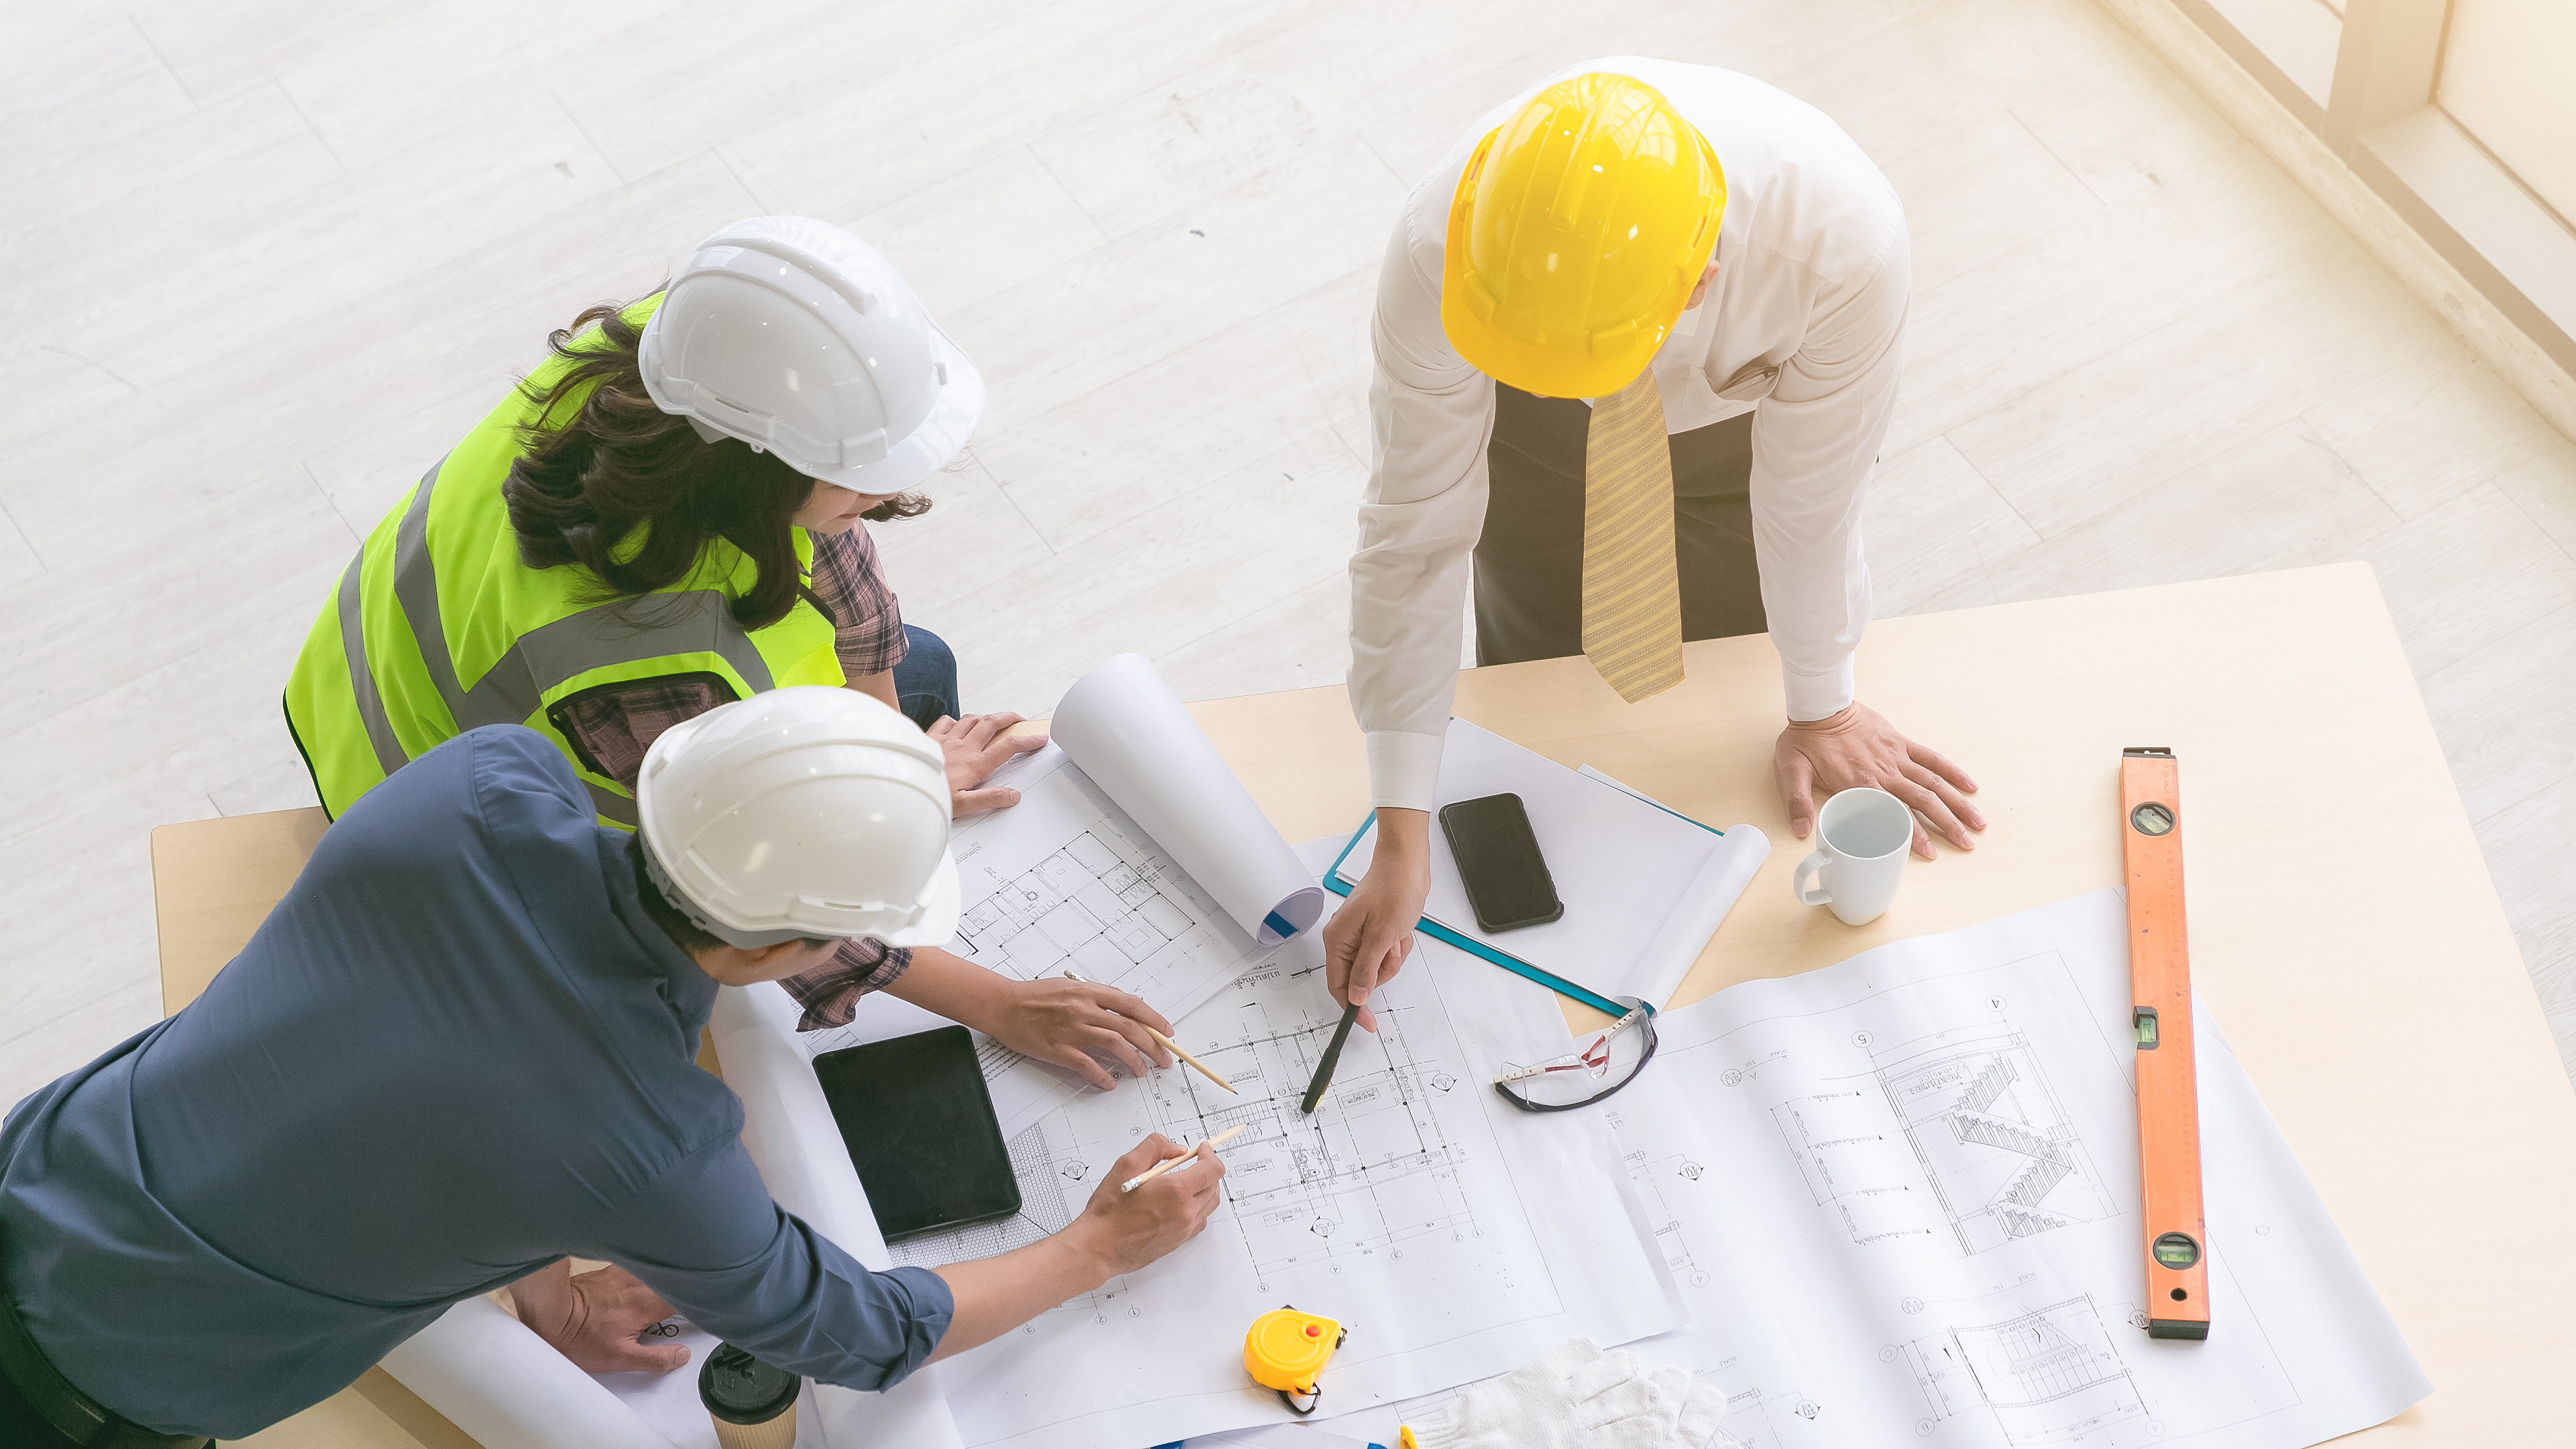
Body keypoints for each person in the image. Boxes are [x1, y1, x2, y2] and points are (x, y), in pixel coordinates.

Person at [0, 690, 1228, 1447]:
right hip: (96, 1391)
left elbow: (432, 1065)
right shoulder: (654, 1139)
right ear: (786, 951)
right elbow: (860, 1331)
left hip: (35, 1177)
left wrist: (544, 1286)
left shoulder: (479, 783)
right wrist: (1099, 1246)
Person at [282, 214, 1086, 1041]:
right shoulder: (639, 655)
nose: (881, 500)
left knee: (920, 664)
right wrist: (1002, 1005)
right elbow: (755, 897)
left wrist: (903, 771)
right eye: (859, 481)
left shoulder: (706, 354)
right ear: (756, 472)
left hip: (388, 671)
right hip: (434, 816)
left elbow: (841, 551)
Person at [1326, 61, 1987, 1028]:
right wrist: (1401, 828)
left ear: (1700, 283)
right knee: (1545, 676)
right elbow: (1413, 530)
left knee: (1729, 661)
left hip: (1742, 413)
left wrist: (1824, 707)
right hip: (1520, 406)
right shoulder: (1443, 246)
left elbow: (1810, 507)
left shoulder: (1842, 248)